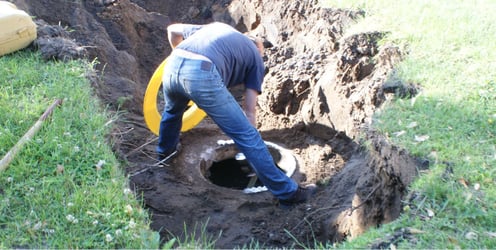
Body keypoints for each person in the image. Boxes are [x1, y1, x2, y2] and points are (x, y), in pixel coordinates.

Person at [156, 21, 315, 207]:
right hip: (202, 73)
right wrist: (250, 145)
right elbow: (249, 111)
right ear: (258, 49)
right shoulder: (255, 58)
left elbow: (172, 30)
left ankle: (165, 153)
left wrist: (184, 65)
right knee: (247, 134)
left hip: (173, 65)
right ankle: (288, 193)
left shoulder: (216, 29)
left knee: (172, 112)